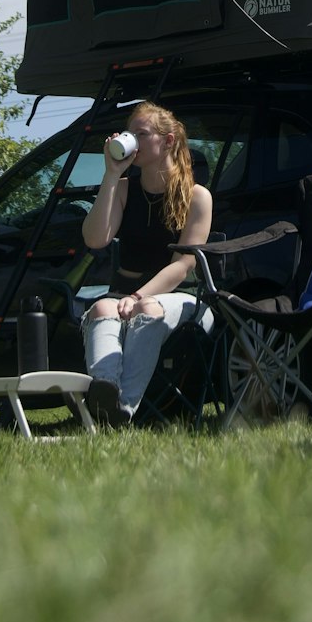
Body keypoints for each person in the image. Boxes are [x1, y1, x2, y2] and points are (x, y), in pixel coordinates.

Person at [80, 101, 213, 426]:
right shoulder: (125, 189)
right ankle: (105, 394)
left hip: (182, 297)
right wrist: (112, 175)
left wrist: (138, 296)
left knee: (147, 308)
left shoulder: (197, 196)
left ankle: (122, 409)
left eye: (141, 134)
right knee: (101, 307)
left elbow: (184, 265)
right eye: (130, 134)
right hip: (124, 292)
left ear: (167, 141)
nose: (133, 141)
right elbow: (95, 239)